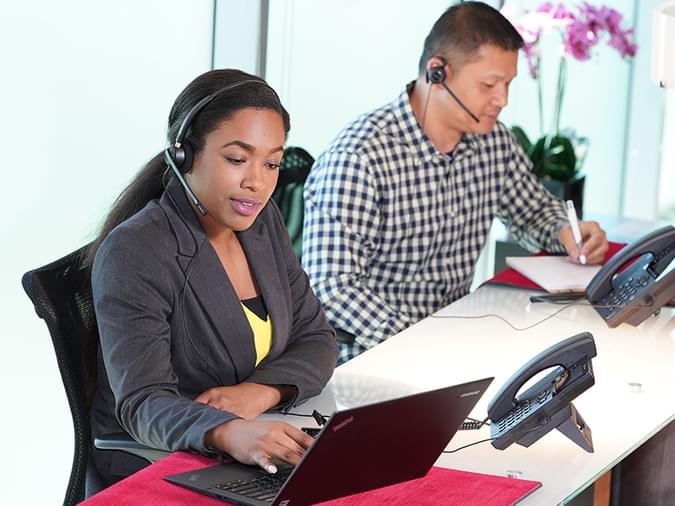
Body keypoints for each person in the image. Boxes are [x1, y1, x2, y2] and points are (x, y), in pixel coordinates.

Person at [302, 1, 608, 365]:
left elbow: (532, 212)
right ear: (437, 73)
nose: (503, 100)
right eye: (489, 85)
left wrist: (565, 231)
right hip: (372, 359)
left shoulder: (493, 141)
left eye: (508, 84)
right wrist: (423, 343)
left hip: (458, 344)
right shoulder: (358, 158)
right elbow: (333, 289)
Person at [87, 69, 337, 486]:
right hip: (158, 460)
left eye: (271, 162)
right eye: (237, 159)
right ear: (185, 154)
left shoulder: (261, 223)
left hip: (254, 433)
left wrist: (262, 391)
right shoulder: (136, 250)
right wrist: (226, 430)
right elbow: (143, 401)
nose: (257, 182)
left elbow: (316, 338)